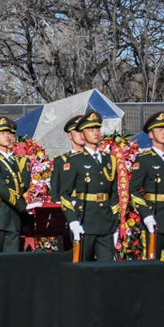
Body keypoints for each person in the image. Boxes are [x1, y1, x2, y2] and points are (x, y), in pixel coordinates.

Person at [58, 111, 119, 261]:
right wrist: (72, 221)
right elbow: (64, 194)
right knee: (83, 268)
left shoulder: (109, 159)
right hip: (85, 219)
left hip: (105, 222)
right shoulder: (74, 160)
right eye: (90, 130)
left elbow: (113, 194)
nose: (96, 133)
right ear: (83, 135)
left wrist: (115, 222)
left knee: (108, 268)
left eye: (97, 129)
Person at [129, 112, 164, 262]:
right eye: (159, 130)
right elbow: (134, 190)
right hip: (154, 216)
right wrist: (146, 215)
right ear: (151, 134)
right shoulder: (144, 159)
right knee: (151, 265)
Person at [0, 117, 40, 252]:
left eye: (8, 133)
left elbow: (22, 185)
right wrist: (23, 205)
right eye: (2, 133)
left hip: (13, 217)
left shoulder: (15, 162)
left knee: (11, 262)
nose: (7, 136)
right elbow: (1, 188)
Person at [49, 115, 85, 206]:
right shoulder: (60, 161)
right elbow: (55, 191)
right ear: (69, 135)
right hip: (67, 208)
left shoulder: (95, 158)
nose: (81, 134)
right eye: (77, 131)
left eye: (84, 131)